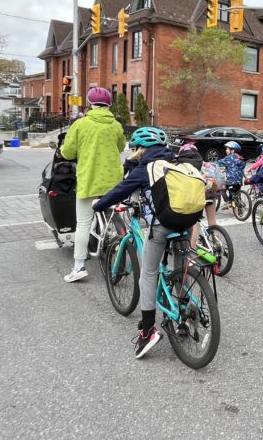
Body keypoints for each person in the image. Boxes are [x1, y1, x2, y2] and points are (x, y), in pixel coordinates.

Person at [93, 127, 201, 359]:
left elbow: (120, 190)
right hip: (187, 222)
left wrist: (98, 205)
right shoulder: (176, 161)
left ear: (142, 148)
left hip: (162, 226)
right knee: (180, 270)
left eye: (136, 149)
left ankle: (148, 331)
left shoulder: (146, 168)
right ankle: (183, 316)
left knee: (148, 273)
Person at [60, 87, 126, 283]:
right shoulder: (115, 125)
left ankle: (79, 267)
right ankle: (120, 250)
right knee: (115, 214)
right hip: (114, 181)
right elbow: (121, 146)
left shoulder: (81, 124)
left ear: (90, 103)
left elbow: (69, 152)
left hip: (89, 181)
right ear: (109, 105)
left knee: (83, 223)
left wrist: (64, 150)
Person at [217, 141, 246, 209]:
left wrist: (210, 164)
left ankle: (227, 202)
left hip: (231, 180)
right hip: (239, 180)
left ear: (232, 151)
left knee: (222, 189)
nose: (226, 150)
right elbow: (240, 167)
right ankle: (240, 210)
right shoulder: (241, 158)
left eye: (227, 149)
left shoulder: (229, 157)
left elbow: (220, 163)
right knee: (237, 193)